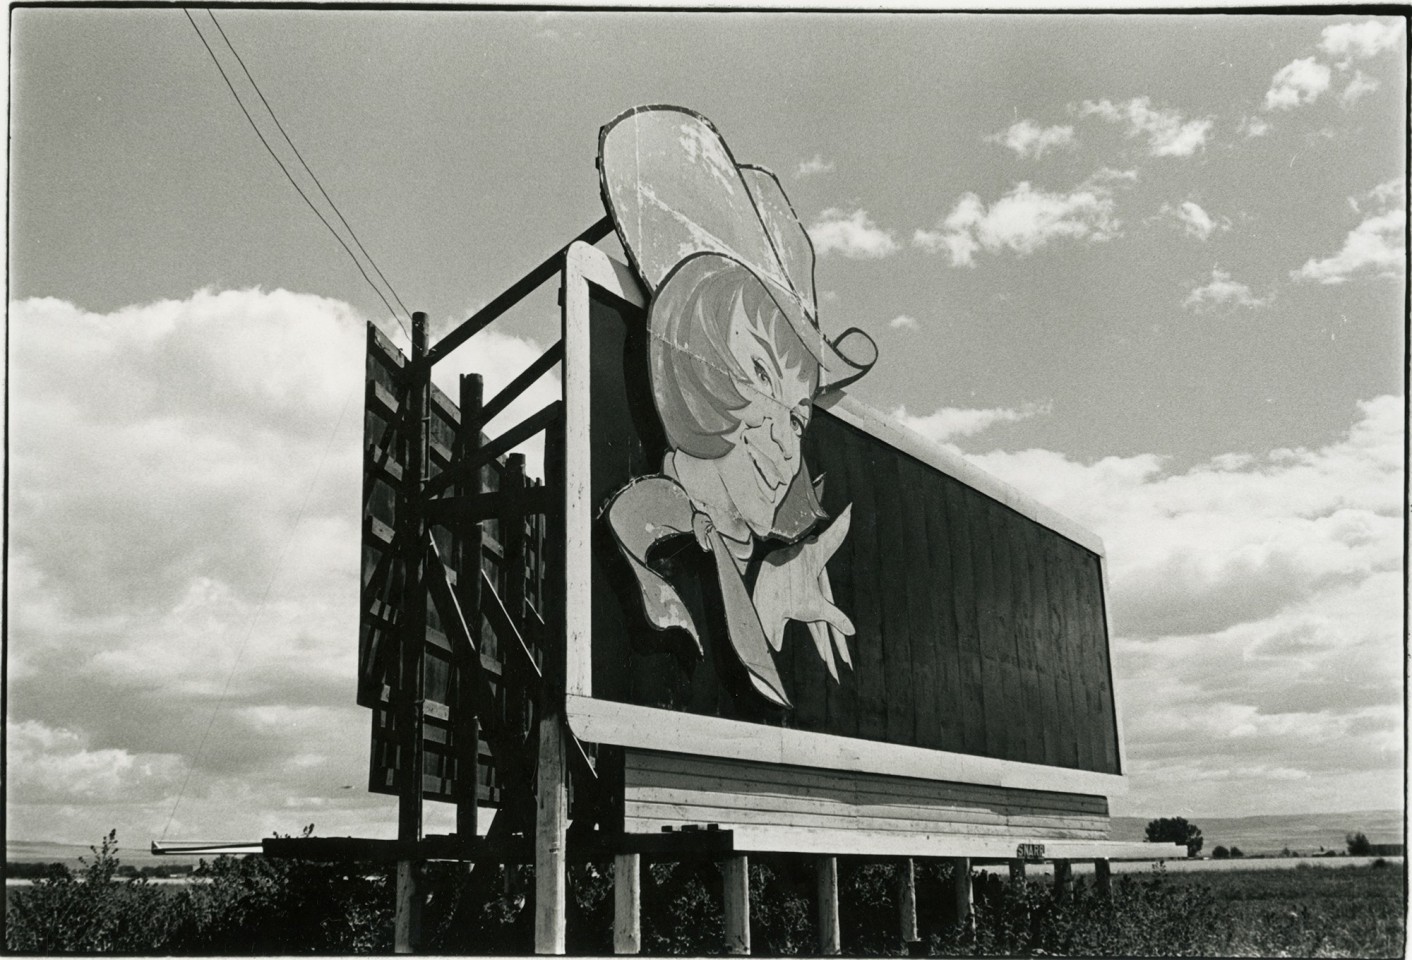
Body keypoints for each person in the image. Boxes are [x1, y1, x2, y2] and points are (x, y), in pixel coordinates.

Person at [598, 106, 876, 707]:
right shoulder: (655, 525)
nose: (784, 440)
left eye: (799, 415)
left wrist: (771, 600)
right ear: (687, 355)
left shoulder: (769, 566)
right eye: (756, 375)